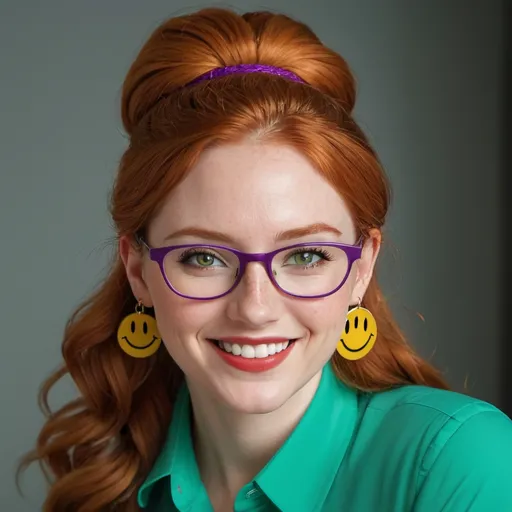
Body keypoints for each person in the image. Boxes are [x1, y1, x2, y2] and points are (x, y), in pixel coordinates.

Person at [20, 7, 512, 512]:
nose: (255, 309)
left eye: (305, 254)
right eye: (204, 257)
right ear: (137, 270)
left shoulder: (459, 462)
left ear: (361, 268)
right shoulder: (108, 487)